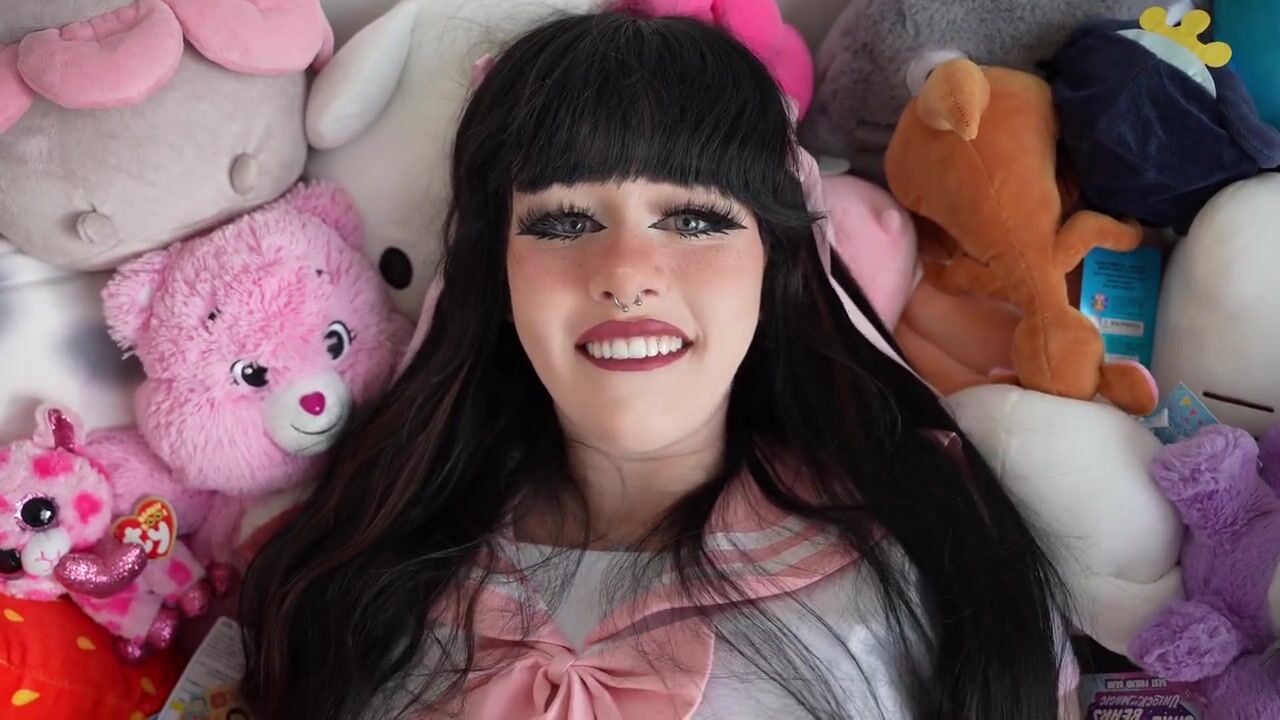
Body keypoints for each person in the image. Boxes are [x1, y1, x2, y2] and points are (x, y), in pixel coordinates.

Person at [239, 9, 1075, 720]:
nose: (627, 273)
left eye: (695, 220)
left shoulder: (942, 555)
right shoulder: (338, 577)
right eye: (563, 221)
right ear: (496, 272)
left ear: (775, 261)